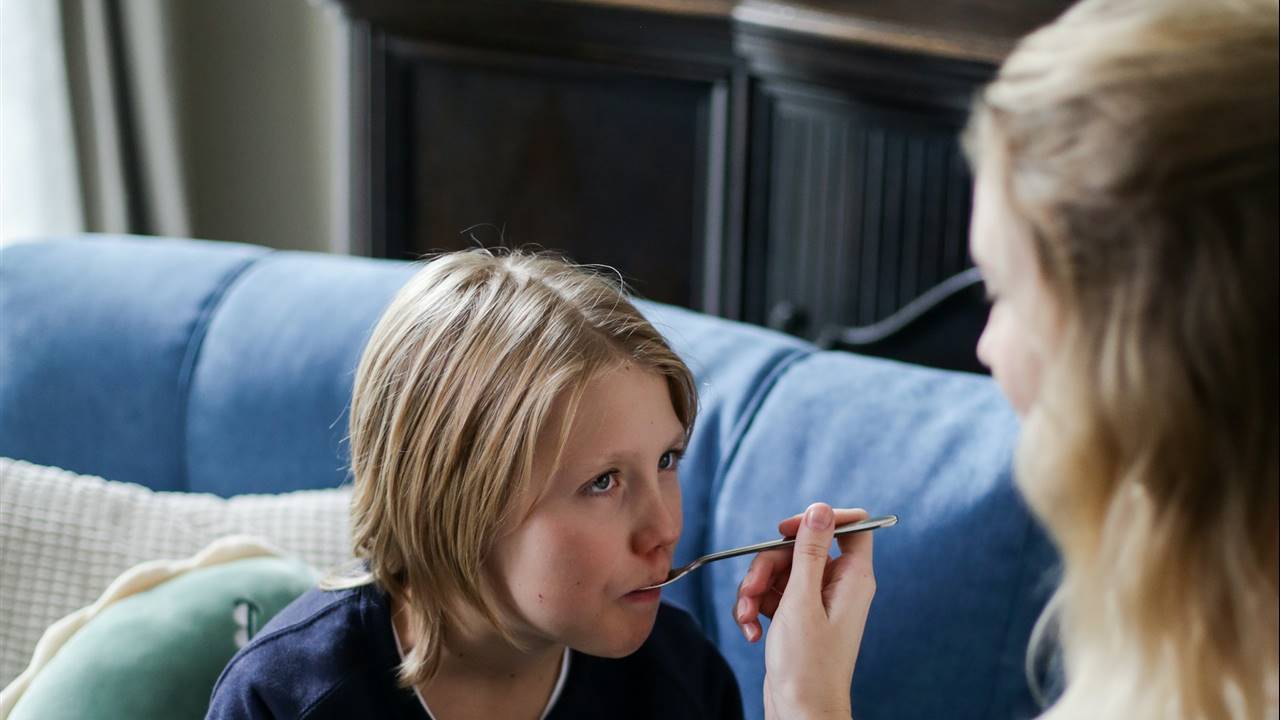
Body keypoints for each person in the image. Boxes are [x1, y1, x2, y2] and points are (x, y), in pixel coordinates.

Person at [734, 0, 1279, 717]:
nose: (987, 346)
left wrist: (806, 702)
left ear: (1139, 341)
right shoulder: (1189, 596)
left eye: (1003, 290)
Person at [207, 249, 743, 719]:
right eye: (604, 481)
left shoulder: (682, 678)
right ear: (455, 497)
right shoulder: (280, 701)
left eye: (667, 459)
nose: (666, 528)